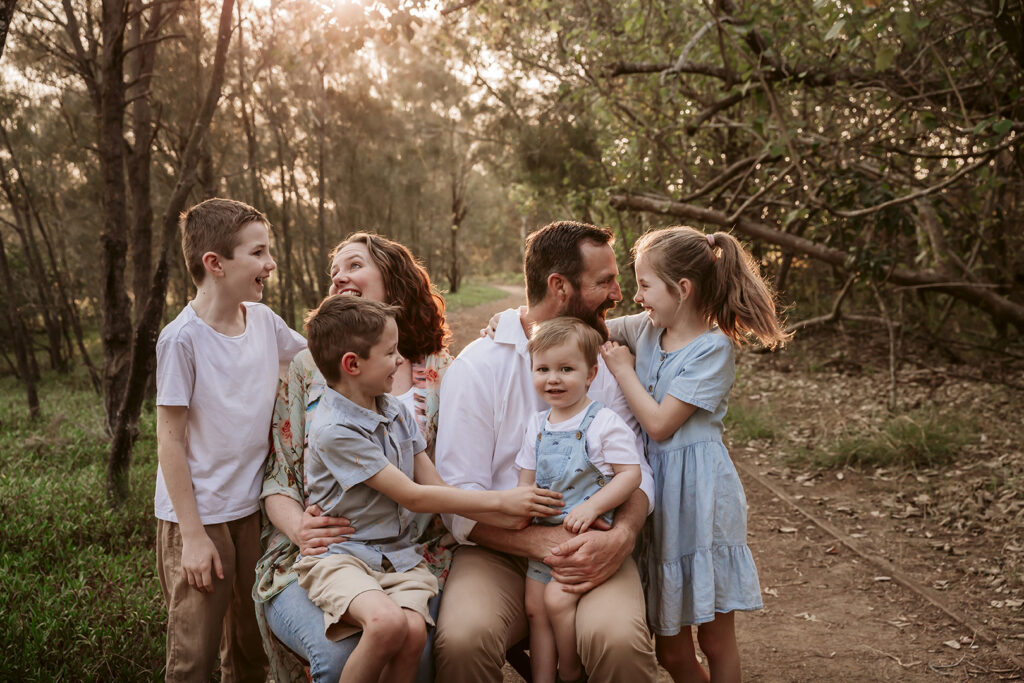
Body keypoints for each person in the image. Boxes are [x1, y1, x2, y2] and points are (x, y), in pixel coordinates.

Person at [434, 220, 661, 683]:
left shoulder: (603, 360)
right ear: (559, 286)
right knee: (463, 640)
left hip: (592, 539)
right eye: (604, 282)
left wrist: (621, 537)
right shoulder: (478, 368)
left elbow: (636, 470)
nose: (619, 293)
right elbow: (458, 501)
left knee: (618, 641)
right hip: (498, 548)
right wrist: (539, 541)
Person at [297, 295, 562, 683]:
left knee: (413, 634)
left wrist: (503, 512)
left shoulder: (394, 411)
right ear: (352, 365)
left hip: (397, 557)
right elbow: (413, 495)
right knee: (386, 625)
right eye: (390, 353)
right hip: (344, 556)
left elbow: (435, 485)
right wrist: (502, 499)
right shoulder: (334, 430)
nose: (401, 361)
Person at [255, 233, 455, 682]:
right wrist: (301, 529)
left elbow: (445, 478)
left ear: (392, 278)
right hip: (324, 552)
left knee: (414, 642)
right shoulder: (311, 367)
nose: (339, 277)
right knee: (344, 655)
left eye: (353, 265)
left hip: (409, 552)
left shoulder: (440, 371)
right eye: (334, 273)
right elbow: (279, 478)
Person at [600, 226, 789, 683]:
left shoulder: (714, 348)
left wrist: (622, 371)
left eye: (645, 285)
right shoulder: (645, 330)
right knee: (669, 646)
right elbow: (584, 326)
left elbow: (661, 423)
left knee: (715, 639)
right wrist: (519, 318)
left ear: (682, 289)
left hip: (701, 500)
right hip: (656, 498)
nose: (636, 295)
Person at [154, 198, 306, 681]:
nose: (270, 264)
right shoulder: (182, 340)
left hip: (253, 514)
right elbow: (169, 441)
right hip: (199, 521)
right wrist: (194, 537)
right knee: (194, 655)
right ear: (215, 264)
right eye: (258, 253)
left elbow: (324, 355)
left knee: (249, 645)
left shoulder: (263, 321)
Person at [515, 317, 643, 683]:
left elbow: (630, 475)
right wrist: (522, 510)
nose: (552, 378)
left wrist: (594, 506)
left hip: (581, 539)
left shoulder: (603, 423)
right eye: (543, 369)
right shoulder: (536, 425)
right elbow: (526, 477)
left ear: (590, 375)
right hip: (542, 539)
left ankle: (569, 669)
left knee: (557, 601)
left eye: (565, 369)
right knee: (535, 610)